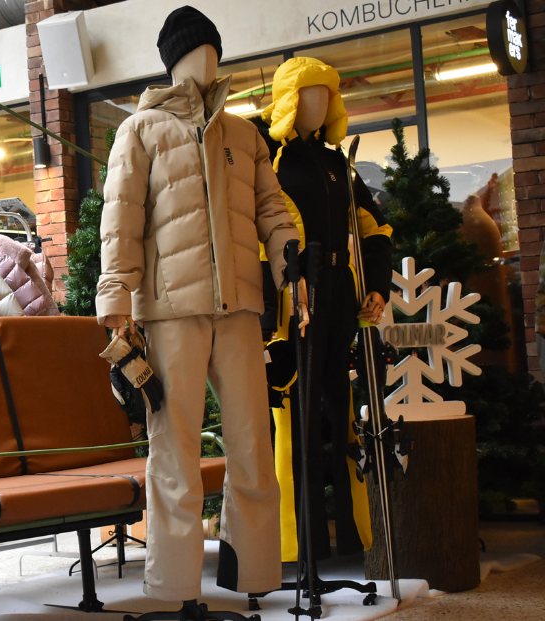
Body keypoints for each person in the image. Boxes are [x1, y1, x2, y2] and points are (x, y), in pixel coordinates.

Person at [96, 5, 300, 603]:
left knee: (253, 445)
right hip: (169, 311)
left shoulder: (244, 134)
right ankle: (175, 586)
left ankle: (253, 575)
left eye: (213, 49)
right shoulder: (141, 130)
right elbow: (121, 219)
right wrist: (115, 297)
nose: (206, 60)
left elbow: (272, 209)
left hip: (239, 309)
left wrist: (291, 266)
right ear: (175, 58)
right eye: (195, 50)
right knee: (175, 451)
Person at [259, 57, 394, 562]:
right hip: (296, 298)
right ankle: (301, 541)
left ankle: (356, 536)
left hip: (340, 294)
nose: (319, 104)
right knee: (296, 416)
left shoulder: (339, 164)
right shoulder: (271, 161)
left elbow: (374, 226)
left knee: (343, 411)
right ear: (289, 100)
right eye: (308, 94)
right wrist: (269, 321)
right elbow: (259, 238)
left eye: (327, 95)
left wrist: (377, 285)